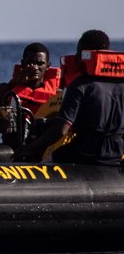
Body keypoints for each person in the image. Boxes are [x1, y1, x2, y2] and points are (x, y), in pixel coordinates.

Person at [47, 31, 123, 165]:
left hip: (84, 152)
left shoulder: (80, 85)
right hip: (116, 153)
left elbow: (61, 130)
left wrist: (32, 148)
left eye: (78, 53)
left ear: (86, 54)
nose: (76, 57)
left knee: (46, 161)